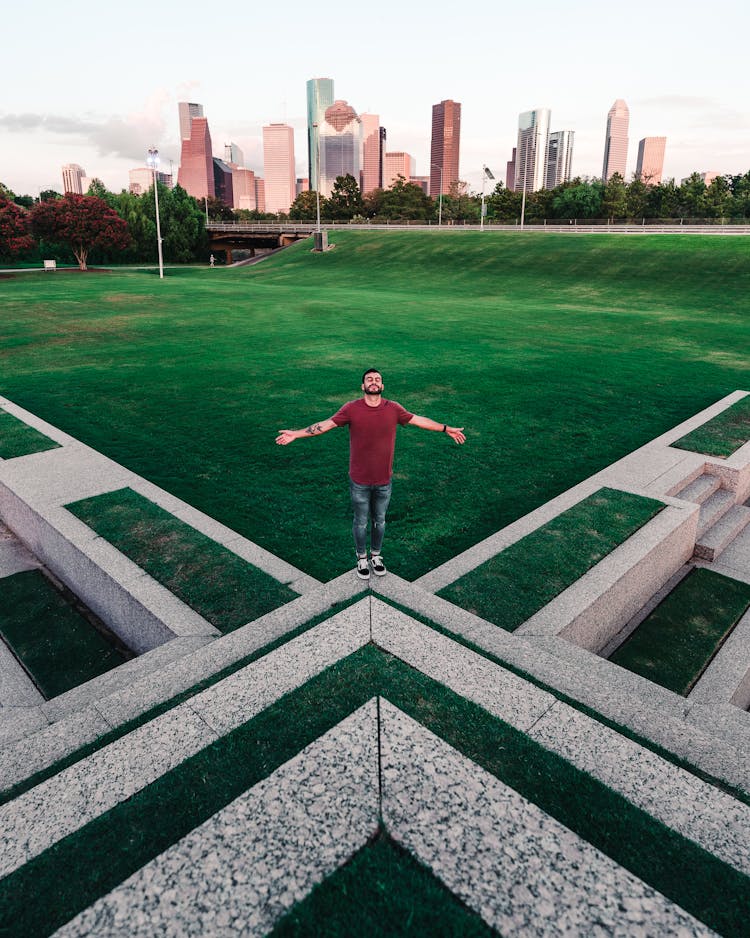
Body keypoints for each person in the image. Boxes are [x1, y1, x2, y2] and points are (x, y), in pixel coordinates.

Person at [275, 368, 465, 580]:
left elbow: (419, 420)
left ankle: (376, 556)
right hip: (359, 481)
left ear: (382, 386)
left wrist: (446, 428)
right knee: (361, 521)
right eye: (369, 379)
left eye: (377, 379)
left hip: (384, 480)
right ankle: (361, 558)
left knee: (380, 521)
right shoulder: (351, 409)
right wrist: (296, 434)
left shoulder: (393, 408)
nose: (373, 382)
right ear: (363, 386)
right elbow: (324, 425)